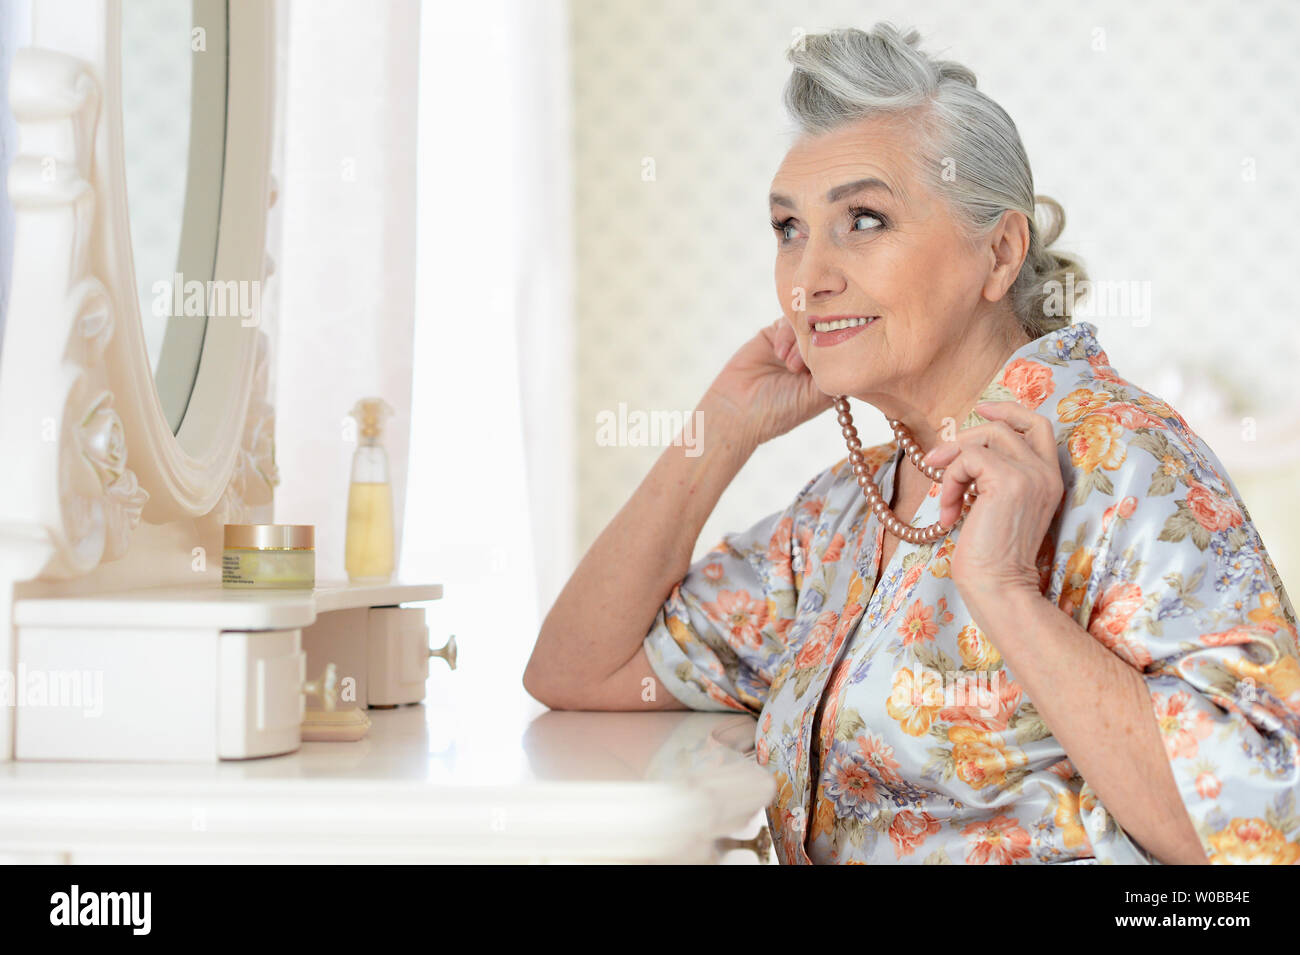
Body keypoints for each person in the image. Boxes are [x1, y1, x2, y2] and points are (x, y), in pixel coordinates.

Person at [524, 23, 1300, 865]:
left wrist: (1006, 590)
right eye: (788, 228)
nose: (809, 277)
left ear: (999, 254)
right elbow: (581, 669)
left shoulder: (1129, 462)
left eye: (863, 219)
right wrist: (720, 429)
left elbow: (1260, 838)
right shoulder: (843, 511)